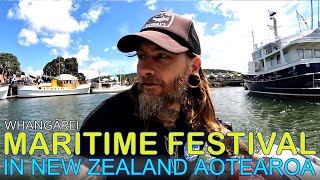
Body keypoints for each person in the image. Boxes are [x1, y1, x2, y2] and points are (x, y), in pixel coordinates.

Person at [62, 10, 265, 180]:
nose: (144, 70)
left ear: (193, 66)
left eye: (162, 56)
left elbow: (218, 132)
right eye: (142, 56)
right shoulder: (106, 120)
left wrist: (249, 158)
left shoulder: (196, 110)